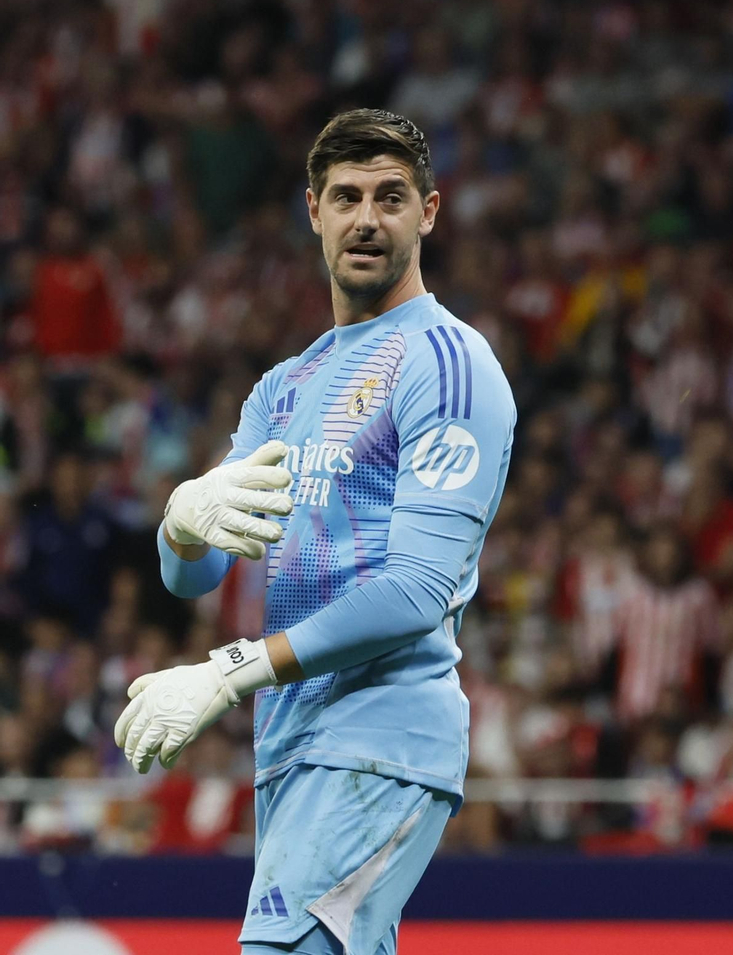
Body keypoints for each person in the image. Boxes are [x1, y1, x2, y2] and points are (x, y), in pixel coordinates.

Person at [111, 109, 516, 955]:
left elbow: (417, 591)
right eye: (346, 197)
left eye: (390, 198)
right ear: (313, 210)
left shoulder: (447, 362)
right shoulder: (286, 387)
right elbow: (193, 577)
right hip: (293, 742)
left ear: (428, 213)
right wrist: (183, 522)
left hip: (380, 736)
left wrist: (230, 671)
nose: (367, 219)